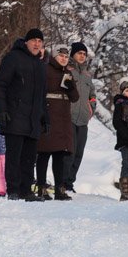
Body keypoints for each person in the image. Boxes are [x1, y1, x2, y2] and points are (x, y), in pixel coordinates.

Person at [0, 28, 49, 202]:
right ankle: (13, 189)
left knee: (29, 158)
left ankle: (26, 190)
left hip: (33, 119)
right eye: (34, 41)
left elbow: (42, 95)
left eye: (40, 41)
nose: (37, 44)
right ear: (26, 42)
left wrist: (45, 117)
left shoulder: (40, 65)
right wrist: (1, 109)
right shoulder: (13, 58)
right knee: (14, 156)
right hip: (15, 115)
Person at [36, 44, 80, 200]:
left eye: (66, 56)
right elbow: (38, 92)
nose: (64, 59)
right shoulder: (45, 69)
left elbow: (75, 98)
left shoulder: (68, 73)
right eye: (61, 55)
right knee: (44, 153)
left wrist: (70, 87)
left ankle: (60, 189)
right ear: (54, 56)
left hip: (63, 117)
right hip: (48, 114)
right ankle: (41, 188)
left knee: (60, 154)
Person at [65, 42, 96, 192]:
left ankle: (70, 183)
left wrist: (91, 109)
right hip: (69, 118)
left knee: (79, 153)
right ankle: (63, 182)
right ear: (73, 55)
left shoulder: (87, 75)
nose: (82, 56)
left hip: (83, 120)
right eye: (79, 53)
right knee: (69, 152)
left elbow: (92, 95)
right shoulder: (67, 70)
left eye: (84, 54)